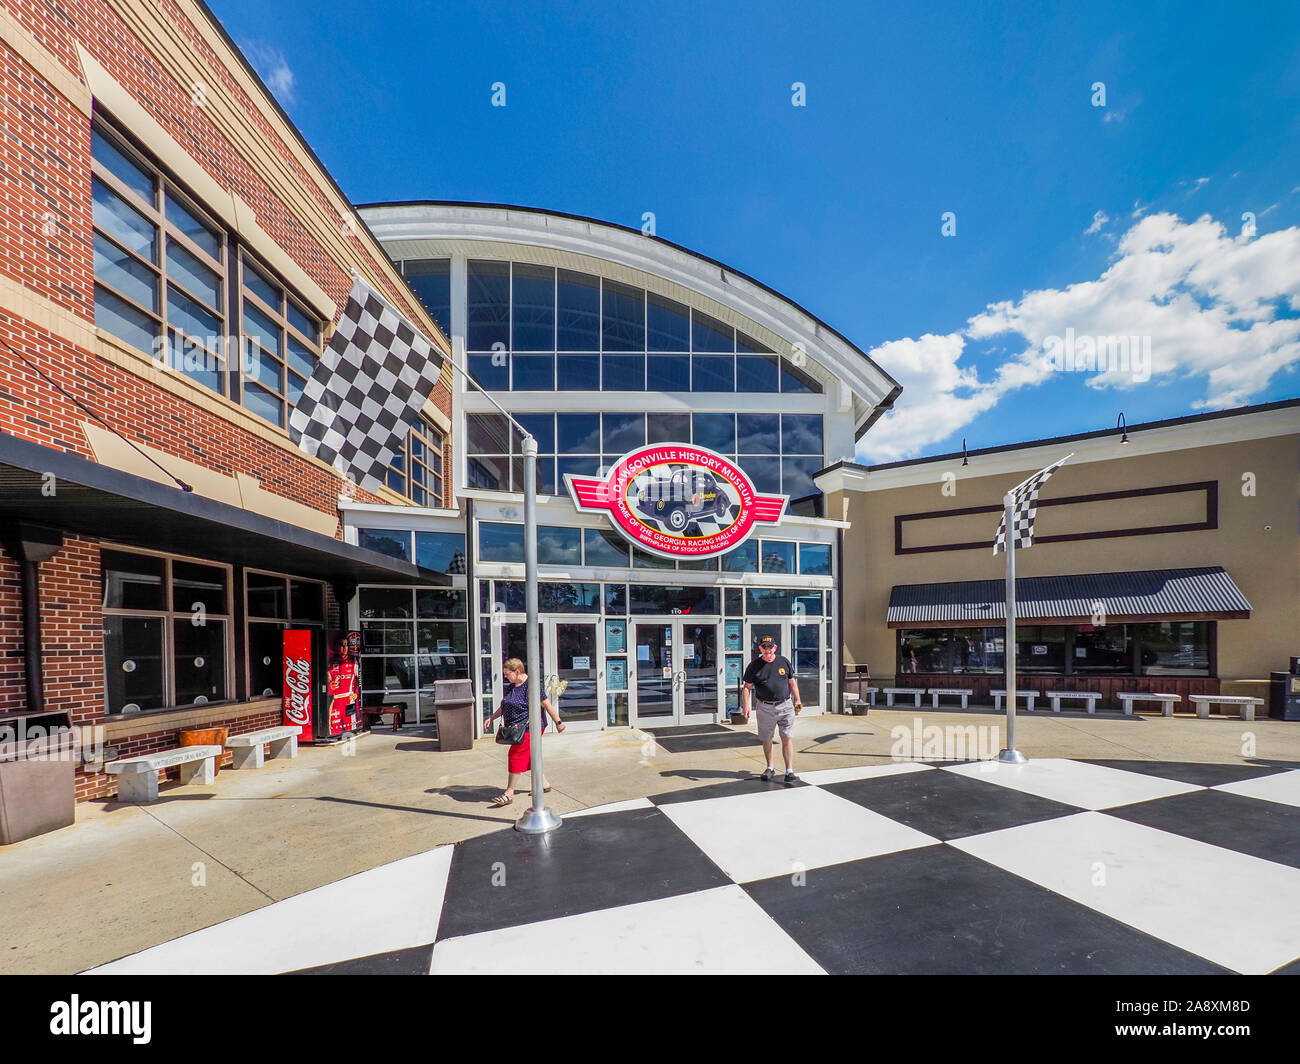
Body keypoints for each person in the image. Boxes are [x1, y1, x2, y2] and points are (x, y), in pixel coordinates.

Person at [483, 656, 565, 807]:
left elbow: (547, 705)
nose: (505, 676)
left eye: (508, 673)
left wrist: (558, 722)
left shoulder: (532, 685)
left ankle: (509, 793)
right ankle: (543, 784)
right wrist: (491, 718)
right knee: (529, 756)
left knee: (515, 755)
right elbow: (504, 706)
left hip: (529, 728)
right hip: (515, 728)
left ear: (518, 671)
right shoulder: (512, 686)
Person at [741, 636, 802, 782]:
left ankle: (789, 771)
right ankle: (770, 768)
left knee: (786, 738)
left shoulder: (784, 661)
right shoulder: (753, 666)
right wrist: (746, 706)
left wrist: (798, 699)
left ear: (775, 648)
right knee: (767, 738)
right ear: (760, 649)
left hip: (785, 705)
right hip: (765, 707)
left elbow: (792, 682)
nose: (767, 650)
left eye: (770, 647)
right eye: (764, 647)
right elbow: (747, 687)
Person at [327, 634, 359, 733]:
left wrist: (356, 693)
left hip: (348, 700)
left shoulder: (354, 661)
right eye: (342, 645)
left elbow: (359, 680)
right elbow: (324, 684)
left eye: (346, 645)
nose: (344, 647)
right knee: (335, 729)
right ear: (336, 647)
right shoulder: (330, 663)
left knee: (351, 729)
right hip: (335, 701)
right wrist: (330, 687)